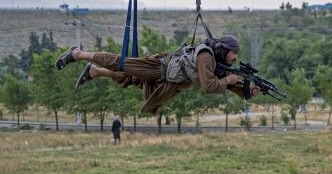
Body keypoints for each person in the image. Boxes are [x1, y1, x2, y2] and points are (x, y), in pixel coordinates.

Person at [55, 35, 260, 114]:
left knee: (129, 79)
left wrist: (248, 90)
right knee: (121, 63)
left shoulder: (215, 62)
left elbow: (225, 81)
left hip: (166, 79)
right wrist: (230, 80)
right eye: (234, 54)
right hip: (157, 68)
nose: (234, 58)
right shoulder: (206, 56)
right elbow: (210, 86)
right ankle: (78, 54)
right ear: (225, 49)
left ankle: (95, 71)